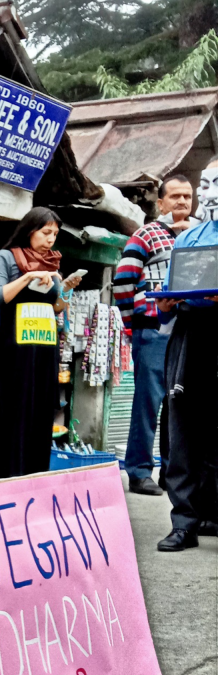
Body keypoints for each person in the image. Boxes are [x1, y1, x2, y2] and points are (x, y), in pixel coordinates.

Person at [0, 207, 82, 481]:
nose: (51, 239)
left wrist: (68, 289)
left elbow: (56, 308)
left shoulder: (53, 264)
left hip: (44, 349)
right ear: (30, 231)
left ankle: (35, 479)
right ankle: (8, 477)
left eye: (55, 234)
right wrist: (27, 277)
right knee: (13, 414)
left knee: (40, 416)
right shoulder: (6, 258)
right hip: (15, 350)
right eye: (46, 232)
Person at [113, 174, 194, 495]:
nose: (182, 202)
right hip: (152, 331)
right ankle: (138, 472)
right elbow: (122, 282)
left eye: (187, 196)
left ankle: (171, 473)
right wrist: (134, 328)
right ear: (160, 203)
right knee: (148, 403)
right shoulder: (145, 234)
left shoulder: (197, 235)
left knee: (179, 405)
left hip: (187, 330)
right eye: (174, 196)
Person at [156, 159, 218, 552]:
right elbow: (164, 301)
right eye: (206, 183)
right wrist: (166, 302)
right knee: (184, 426)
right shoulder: (188, 239)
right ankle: (185, 522)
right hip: (191, 331)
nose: (210, 194)